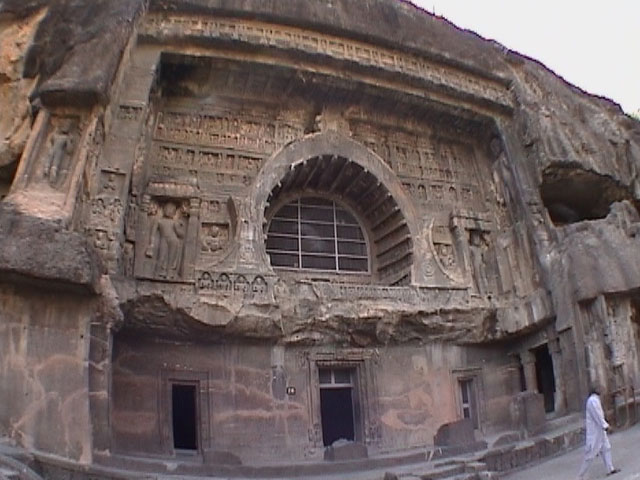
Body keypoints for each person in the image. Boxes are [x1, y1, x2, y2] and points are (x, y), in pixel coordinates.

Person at [578, 387, 620, 479]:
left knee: (606, 448)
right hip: (595, 433)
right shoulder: (592, 401)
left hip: (599, 431)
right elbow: (597, 416)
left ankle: (610, 468)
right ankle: (580, 475)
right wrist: (606, 426)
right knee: (590, 455)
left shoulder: (596, 400)